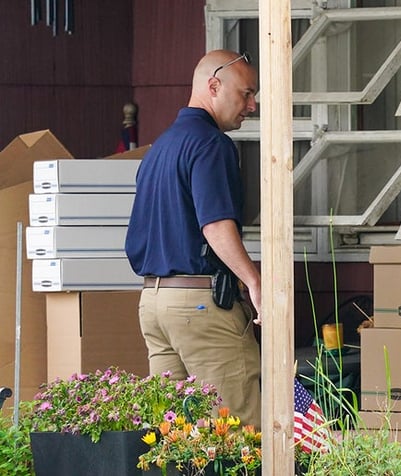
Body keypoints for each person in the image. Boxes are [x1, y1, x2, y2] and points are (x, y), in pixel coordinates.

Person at [125, 50, 263, 428]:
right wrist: (253, 281)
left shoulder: (159, 149)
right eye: (246, 94)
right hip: (199, 303)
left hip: (153, 302)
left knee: (172, 435)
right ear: (213, 85)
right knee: (239, 429)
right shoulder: (211, 145)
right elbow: (216, 225)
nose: (251, 105)